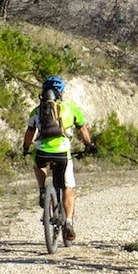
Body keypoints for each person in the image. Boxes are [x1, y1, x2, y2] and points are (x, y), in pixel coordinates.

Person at [22, 76, 97, 242]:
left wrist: (26, 148)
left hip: (42, 152)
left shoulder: (36, 111)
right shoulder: (71, 109)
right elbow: (83, 129)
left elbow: (29, 133)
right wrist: (89, 145)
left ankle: (42, 189)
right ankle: (68, 222)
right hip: (63, 154)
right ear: (61, 93)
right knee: (68, 187)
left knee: (36, 160)